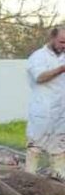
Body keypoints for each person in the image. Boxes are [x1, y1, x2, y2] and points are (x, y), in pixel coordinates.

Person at [25, 27, 65, 176]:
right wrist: (61, 69)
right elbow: (40, 77)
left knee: (60, 149)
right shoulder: (38, 57)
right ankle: (29, 179)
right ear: (52, 38)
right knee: (35, 147)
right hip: (42, 111)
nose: (64, 46)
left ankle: (60, 181)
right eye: (62, 42)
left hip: (61, 112)